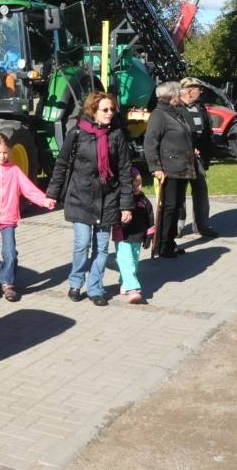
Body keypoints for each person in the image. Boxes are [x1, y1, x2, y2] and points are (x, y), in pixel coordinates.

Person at [45, 92, 134, 306]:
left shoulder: (117, 135)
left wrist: (126, 205)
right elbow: (62, 164)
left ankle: (95, 288)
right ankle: (76, 282)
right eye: (105, 110)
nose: (110, 113)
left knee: (102, 248)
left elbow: (124, 170)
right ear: (93, 111)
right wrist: (52, 194)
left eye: (112, 109)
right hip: (80, 196)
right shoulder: (77, 133)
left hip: (108, 198)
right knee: (82, 244)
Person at [0, 133, 56, 301]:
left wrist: (44, 201)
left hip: (8, 219)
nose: (3, 156)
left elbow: (28, 189)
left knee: (10, 253)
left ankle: (7, 282)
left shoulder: (14, 170)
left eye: (5, 153)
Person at [144, 81, 194, 258]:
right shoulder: (159, 115)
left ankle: (170, 243)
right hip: (169, 169)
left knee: (176, 205)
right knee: (169, 207)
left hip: (182, 167)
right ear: (172, 96)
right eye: (179, 93)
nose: (181, 95)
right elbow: (150, 143)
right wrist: (155, 167)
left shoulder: (176, 113)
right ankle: (163, 246)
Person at [177, 77, 219, 238]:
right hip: (181, 158)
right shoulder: (175, 108)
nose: (200, 92)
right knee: (179, 193)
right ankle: (178, 227)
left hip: (199, 158)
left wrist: (207, 152)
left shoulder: (201, 107)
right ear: (188, 90)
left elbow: (207, 132)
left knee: (201, 191)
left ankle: (202, 226)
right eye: (198, 89)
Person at [113, 168, 154, 305]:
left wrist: (149, 235)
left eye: (139, 184)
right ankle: (133, 289)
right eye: (134, 185)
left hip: (137, 237)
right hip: (123, 236)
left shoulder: (144, 201)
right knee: (127, 261)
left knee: (134, 263)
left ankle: (124, 282)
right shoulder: (121, 199)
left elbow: (150, 218)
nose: (138, 187)